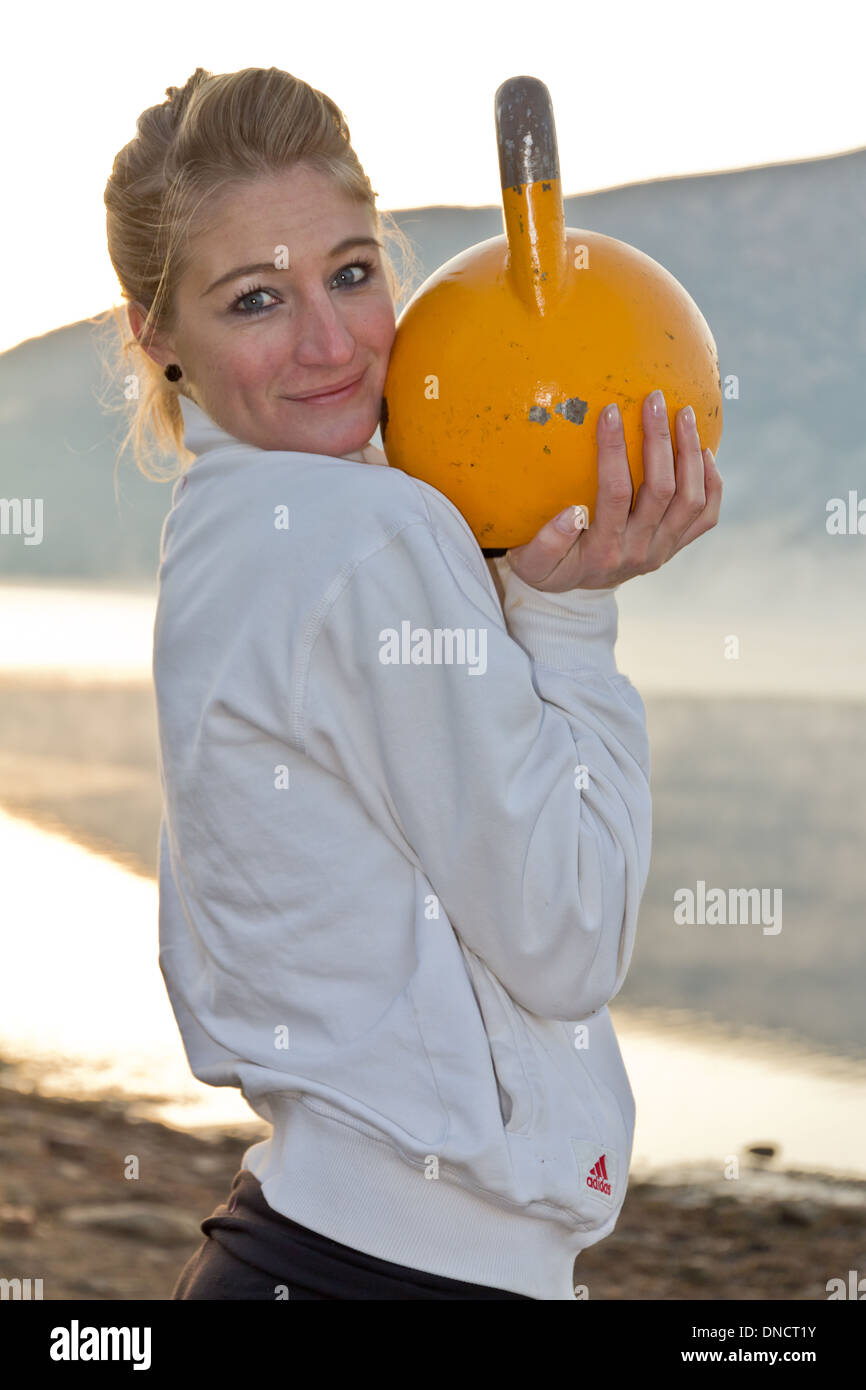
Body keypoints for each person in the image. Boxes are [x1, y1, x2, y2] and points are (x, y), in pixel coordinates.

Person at [102, 66, 721, 1302]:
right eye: (256, 300)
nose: (331, 344)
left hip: (310, 1249)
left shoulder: (221, 533)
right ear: (157, 335)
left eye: (348, 273)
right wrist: (570, 613)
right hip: (392, 1275)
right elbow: (566, 939)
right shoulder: (365, 535)